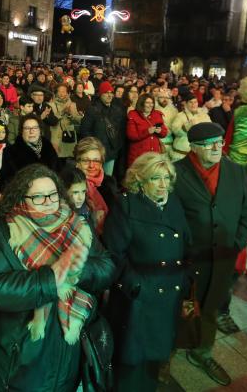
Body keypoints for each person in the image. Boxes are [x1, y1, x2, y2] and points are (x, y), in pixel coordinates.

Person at [0, 164, 114, 391]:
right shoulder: (2, 233)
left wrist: (75, 271)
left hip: (67, 351)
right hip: (20, 359)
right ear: (21, 199)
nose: (49, 202)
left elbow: (106, 267)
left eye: (53, 194)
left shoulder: (77, 225)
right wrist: (50, 279)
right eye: (38, 197)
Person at [172, 122, 247, 386]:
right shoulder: (175, 173)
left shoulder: (235, 171)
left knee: (210, 306)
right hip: (188, 259)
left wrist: (237, 242)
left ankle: (202, 352)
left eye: (219, 142)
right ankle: (166, 355)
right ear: (194, 148)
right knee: (180, 307)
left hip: (223, 258)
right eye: (209, 144)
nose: (217, 147)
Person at [103, 153, 189, 391]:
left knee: (154, 357)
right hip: (138, 299)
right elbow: (114, 254)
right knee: (131, 361)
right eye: (155, 178)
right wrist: (136, 286)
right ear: (140, 180)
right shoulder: (126, 205)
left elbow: (185, 242)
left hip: (169, 293)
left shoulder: (172, 202)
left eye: (166, 178)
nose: (163, 185)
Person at [74, 136, 120, 235]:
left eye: (96, 161)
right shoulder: (70, 185)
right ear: (78, 163)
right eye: (86, 161)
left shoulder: (109, 183)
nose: (91, 165)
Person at [80, 81, 126, 177]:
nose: (109, 95)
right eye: (106, 93)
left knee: (107, 180)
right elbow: (85, 130)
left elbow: (120, 131)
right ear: (100, 94)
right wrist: (94, 147)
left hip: (111, 152)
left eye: (111, 93)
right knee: (94, 180)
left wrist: (116, 147)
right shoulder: (93, 109)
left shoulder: (117, 110)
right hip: (96, 152)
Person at [126, 93, 168, 167]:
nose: (150, 105)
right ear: (141, 103)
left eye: (152, 103)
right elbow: (131, 136)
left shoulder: (157, 114)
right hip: (139, 156)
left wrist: (160, 131)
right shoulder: (133, 115)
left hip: (154, 156)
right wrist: (147, 132)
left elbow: (164, 133)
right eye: (147, 103)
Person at [170, 92, 211, 162]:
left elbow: (210, 130)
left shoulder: (204, 115)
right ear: (186, 104)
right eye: (190, 102)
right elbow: (175, 130)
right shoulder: (180, 115)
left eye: (195, 102)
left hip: (199, 150)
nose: (193, 104)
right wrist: (186, 127)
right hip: (182, 152)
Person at [49, 83, 81, 165]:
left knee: (68, 163)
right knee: (55, 161)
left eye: (64, 91)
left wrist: (70, 114)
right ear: (55, 93)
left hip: (68, 137)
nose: (61, 93)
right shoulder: (51, 105)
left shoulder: (73, 105)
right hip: (56, 137)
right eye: (59, 91)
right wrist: (63, 111)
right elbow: (51, 120)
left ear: (67, 93)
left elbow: (78, 121)